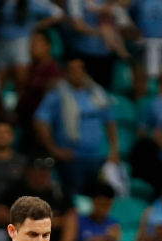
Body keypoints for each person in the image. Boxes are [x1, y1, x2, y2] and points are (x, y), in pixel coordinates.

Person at [33, 57, 119, 200]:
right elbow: (40, 120)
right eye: (73, 70)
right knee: (76, 200)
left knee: (99, 199)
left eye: (80, 69)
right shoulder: (57, 95)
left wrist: (114, 149)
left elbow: (110, 121)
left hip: (98, 158)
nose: (77, 73)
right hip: (72, 159)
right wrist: (54, 149)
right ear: (66, 73)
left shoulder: (98, 94)